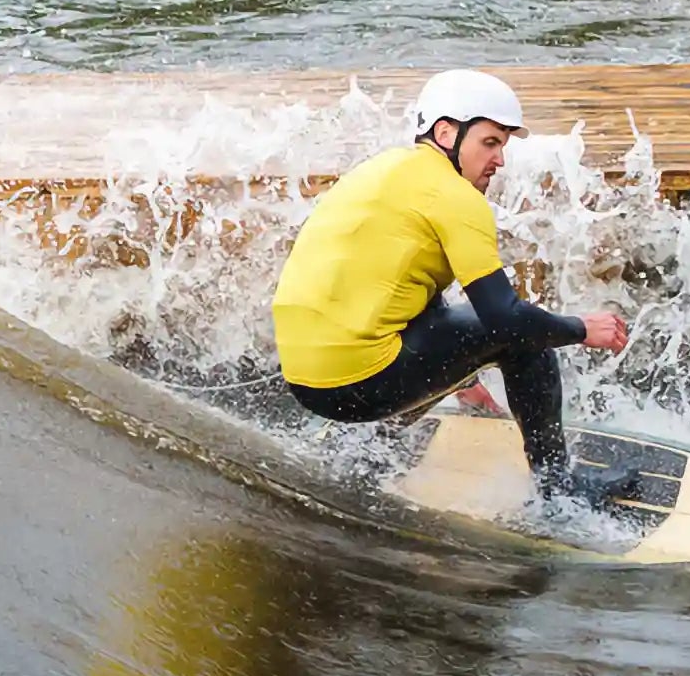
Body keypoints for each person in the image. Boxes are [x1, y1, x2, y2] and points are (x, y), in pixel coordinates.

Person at [271, 69, 635, 504]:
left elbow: (409, 292)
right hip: (357, 389)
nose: (499, 160)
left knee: (459, 326)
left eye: (502, 145)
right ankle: (561, 493)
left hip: (304, 381)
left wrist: (458, 377)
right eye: (490, 142)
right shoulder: (457, 198)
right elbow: (505, 320)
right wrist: (580, 329)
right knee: (524, 337)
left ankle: (374, 449)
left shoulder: (381, 171)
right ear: (446, 132)